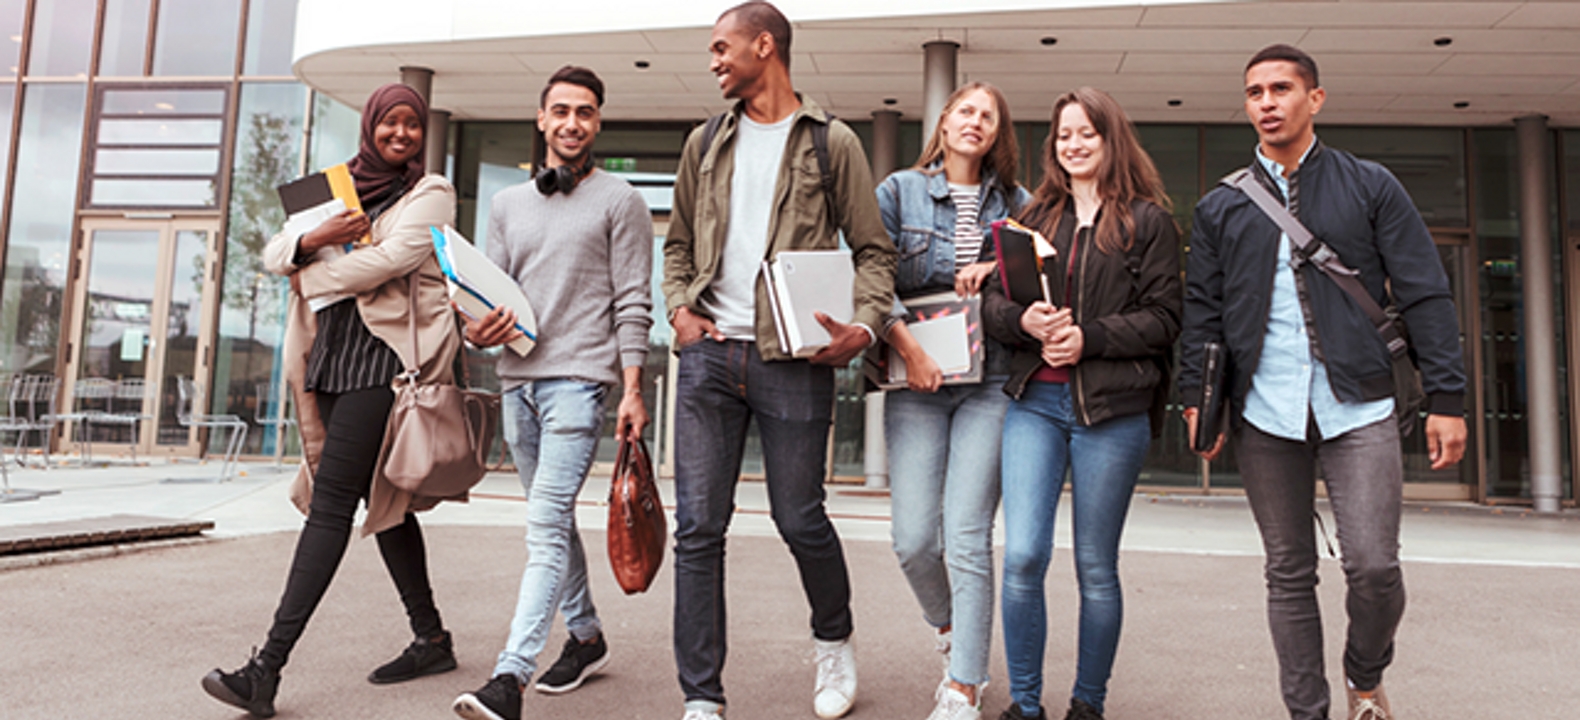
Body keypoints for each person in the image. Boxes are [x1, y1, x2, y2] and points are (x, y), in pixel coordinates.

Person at [1180, 45, 1467, 720]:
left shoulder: (1369, 184)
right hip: (1263, 413)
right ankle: (1306, 711)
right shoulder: (1222, 206)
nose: (1267, 102)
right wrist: (1197, 398)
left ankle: (1364, 677)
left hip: (1359, 405)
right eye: (1255, 92)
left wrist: (1446, 399)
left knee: (1372, 566)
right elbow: (1203, 314)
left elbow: (1425, 292)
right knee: (1288, 571)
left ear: (1316, 99)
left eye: (1282, 88)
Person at [661, 3, 896, 719]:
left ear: (766, 46)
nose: (713, 61)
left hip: (792, 359)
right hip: (708, 359)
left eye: (722, 48)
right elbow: (676, 245)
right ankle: (702, 695)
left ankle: (834, 643)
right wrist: (679, 309)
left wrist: (863, 325)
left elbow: (874, 252)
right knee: (698, 527)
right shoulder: (705, 142)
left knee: (801, 519)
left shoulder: (834, 143)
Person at [202, 83, 462, 718]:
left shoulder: (431, 192)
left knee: (331, 506)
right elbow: (272, 253)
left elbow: (390, 261)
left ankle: (266, 669)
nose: (400, 134)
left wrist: (309, 268)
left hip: (384, 366)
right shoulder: (331, 186)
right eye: (389, 123)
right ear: (370, 125)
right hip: (329, 362)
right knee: (386, 505)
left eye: (412, 124)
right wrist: (314, 235)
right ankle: (431, 638)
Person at [450, 65, 654, 720]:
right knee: (555, 522)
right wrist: (476, 329)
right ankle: (586, 635)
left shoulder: (620, 201)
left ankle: (509, 677)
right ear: (541, 119)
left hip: (578, 384)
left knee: (542, 526)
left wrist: (632, 388)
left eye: (586, 112)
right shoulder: (508, 205)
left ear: (597, 123)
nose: (572, 123)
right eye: (561, 110)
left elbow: (633, 304)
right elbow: (485, 297)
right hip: (518, 384)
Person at [981, 87, 1181, 720]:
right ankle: (1025, 705)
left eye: (1086, 133)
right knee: (1023, 556)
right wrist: (1028, 325)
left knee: (1096, 566)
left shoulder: (1148, 221)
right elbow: (992, 307)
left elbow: (1165, 318)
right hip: (1034, 406)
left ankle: (1087, 705)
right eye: (1063, 135)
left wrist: (1087, 339)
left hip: (1112, 415)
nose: (1073, 144)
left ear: (1110, 138)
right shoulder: (1031, 218)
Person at [875, 81, 1028, 720]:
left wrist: (996, 269)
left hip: (990, 380)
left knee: (966, 535)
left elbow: (1041, 274)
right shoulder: (899, 192)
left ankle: (964, 683)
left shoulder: (1019, 203)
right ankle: (951, 630)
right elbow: (872, 276)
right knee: (913, 538)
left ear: (998, 132)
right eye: (967, 110)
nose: (976, 122)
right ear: (945, 119)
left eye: (988, 116)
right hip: (918, 379)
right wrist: (911, 352)